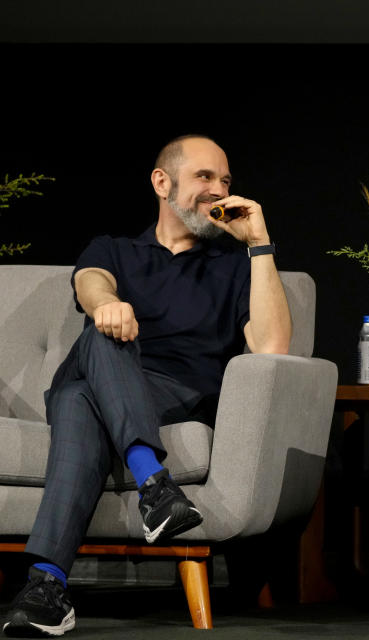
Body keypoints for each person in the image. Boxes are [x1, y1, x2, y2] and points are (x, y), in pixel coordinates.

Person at [3, 135, 292, 637]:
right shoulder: (115, 249)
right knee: (103, 334)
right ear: (163, 182)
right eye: (204, 177)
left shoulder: (232, 267)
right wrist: (105, 305)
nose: (218, 189)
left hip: (175, 396)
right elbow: (90, 283)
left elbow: (272, 348)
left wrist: (258, 243)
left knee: (77, 401)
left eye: (225, 180)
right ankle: (155, 487)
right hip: (107, 363)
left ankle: (46, 585)